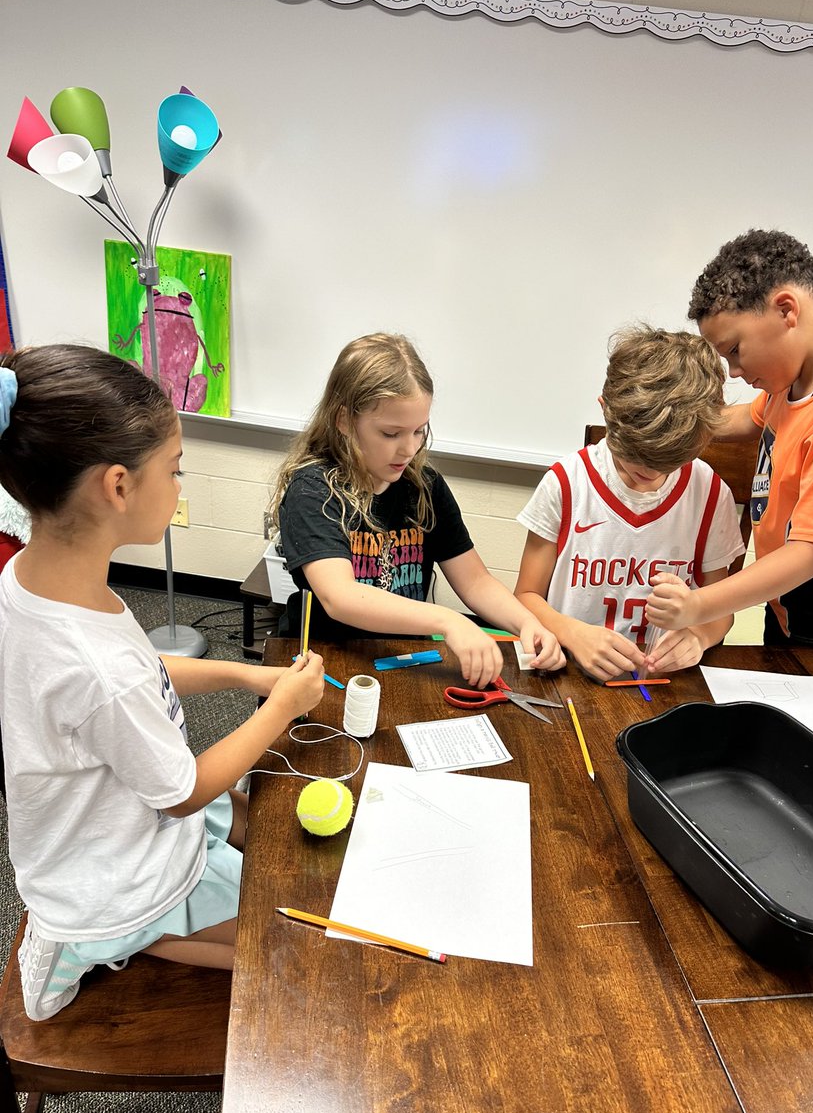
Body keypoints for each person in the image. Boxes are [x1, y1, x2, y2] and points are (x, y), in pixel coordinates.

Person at [0, 345, 324, 1020]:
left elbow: (140, 675)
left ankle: (124, 925)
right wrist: (280, 707)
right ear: (118, 487)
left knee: (256, 826)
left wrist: (244, 671)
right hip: (114, 877)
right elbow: (180, 793)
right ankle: (105, 938)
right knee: (296, 946)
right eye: (175, 471)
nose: (182, 488)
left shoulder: (34, 582)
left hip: (96, 827)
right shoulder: (95, 665)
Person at [647, 229, 813, 649]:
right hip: (786, 602)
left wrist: (696, 606)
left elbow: (809, 553)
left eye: (734, 351)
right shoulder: (797, 375)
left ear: (786, 310)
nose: (732, 372)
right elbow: (748, 417)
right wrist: (669, 424)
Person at [271, 333, 564, 688]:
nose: (408, 449)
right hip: (330, 662)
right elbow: (341, 598)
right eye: (391, 433)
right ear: (345, 420)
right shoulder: (313, 491)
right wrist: (449, 621)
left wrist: (526, 623)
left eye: (418, 431)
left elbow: (474, 580)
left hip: (406, 659)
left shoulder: (423, 486)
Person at [515, 325, 744, 679]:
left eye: (668, 463)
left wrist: (698, 636)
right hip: (570, 672)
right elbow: (526, 596)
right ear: (606, 410)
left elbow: (721, 609)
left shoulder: (709, 494)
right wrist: (573, 634)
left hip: (663, 681)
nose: (650, 475)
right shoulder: (567, 483)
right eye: (636, 459)